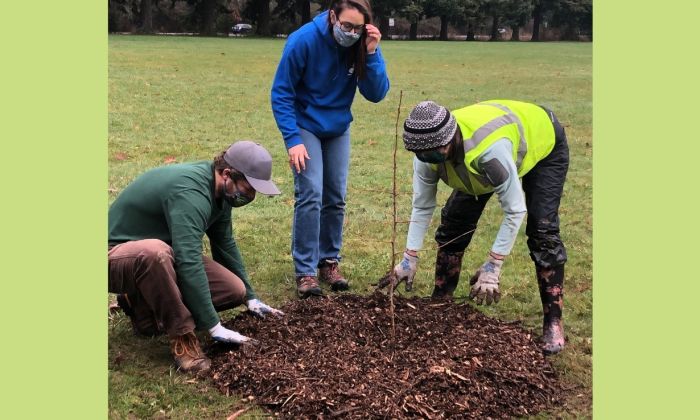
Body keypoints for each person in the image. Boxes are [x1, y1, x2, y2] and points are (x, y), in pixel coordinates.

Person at [390, 100, 569, 355]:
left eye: (434, 153)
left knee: (543, 232)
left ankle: (553, 323)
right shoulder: (426, 152)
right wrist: (410, 258)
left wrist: (493, 266)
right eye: (423, 154)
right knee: (453, 224)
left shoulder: (490, 152)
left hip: (542, 144)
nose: (429, 158)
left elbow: (515, 209)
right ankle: (441, 301)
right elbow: (422, 206)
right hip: (482, 158)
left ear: (451, 139)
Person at [108, 141, 284, 373]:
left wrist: (250, 298)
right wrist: (214, 326)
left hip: (162, 255)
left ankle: (142, 306)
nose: (250, 195)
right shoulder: (190, 192)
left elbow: (225, 244)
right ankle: (183, 337)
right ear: (227, 174)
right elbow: (188, 258)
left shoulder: (221, 193)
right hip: (115, 254)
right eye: (248, 188)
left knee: (234, 290)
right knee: (155, 253)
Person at [271, 0, 390, 298]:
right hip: (305, 125)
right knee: (311, 192)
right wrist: (292, 139)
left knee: (335, 196)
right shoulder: (303, 40)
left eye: (357, 28)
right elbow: (281, 92)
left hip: (337, 127)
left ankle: (329, 261)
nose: (350, 32)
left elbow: (376, 94)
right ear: (333, 16)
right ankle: (306, 271)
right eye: (346, 26)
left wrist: (372, 52)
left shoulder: (363, 42)